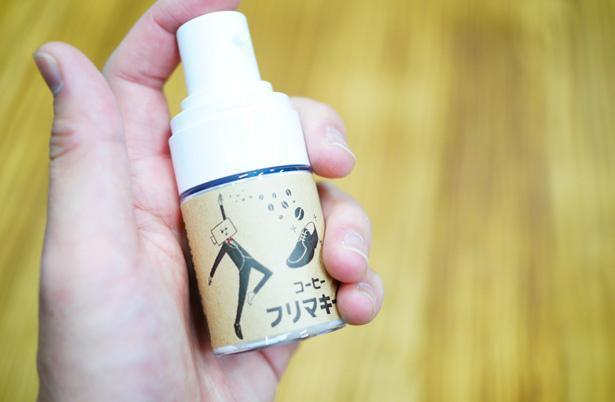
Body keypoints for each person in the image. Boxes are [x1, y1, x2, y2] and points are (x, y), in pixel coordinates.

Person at [33, 0, 384, 400]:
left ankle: (246, 315)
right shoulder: (217, 229)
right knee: (250, 289)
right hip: (236, 286)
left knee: (265, 278)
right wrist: (216, 274)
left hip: (262, 285)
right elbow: (219, 251)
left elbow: (221, 244)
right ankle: (242, 319)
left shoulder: (226, 219)